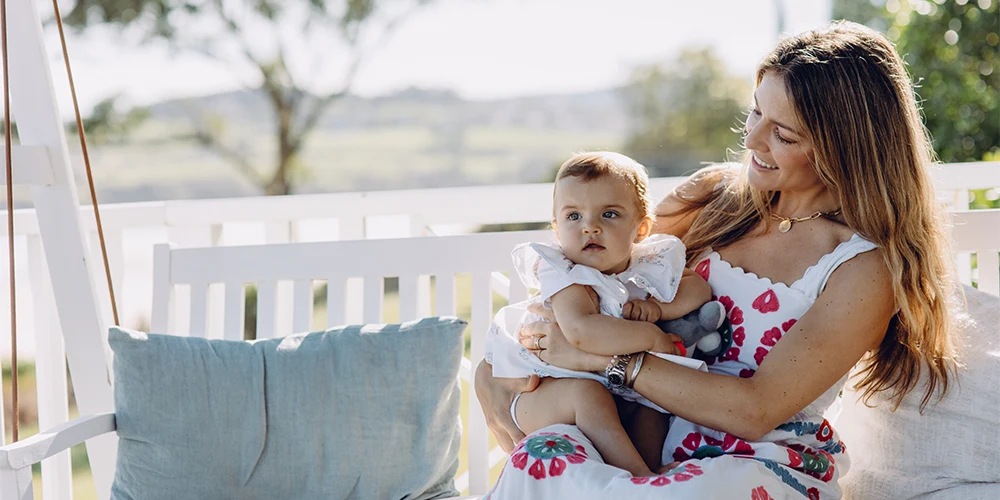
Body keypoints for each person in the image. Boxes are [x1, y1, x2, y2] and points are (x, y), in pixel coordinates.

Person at [475, 21, 958, 499]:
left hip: (753, 458)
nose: (752, 141)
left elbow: (755, 410)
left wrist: (600, 358)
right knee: (542, 455)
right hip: (640, 436)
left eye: (783, 135)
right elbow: (598, 277)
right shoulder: (719, 199)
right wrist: (493, 372)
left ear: (845, 146)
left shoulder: (862, 267)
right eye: (755, 114)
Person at [485, 151, 723, 477]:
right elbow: (582, 331)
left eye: (609, 214)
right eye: (573, 217)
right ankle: (639, 480)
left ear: (640, 230)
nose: (590, 227)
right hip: (542, 391)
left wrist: (658, 308)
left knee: (652, 405)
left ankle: (649, 468)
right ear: (556, 229)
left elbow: (698, 288)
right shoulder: (567, 275)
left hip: (613, 385)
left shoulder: (645, 264)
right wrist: (651, 335)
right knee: (588, 396)